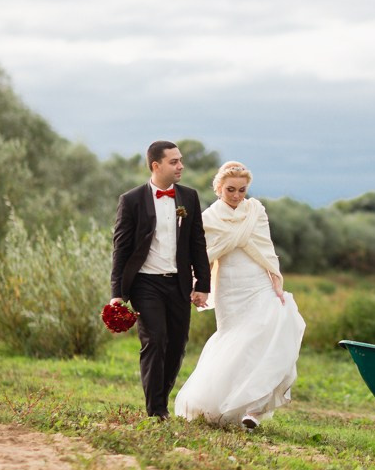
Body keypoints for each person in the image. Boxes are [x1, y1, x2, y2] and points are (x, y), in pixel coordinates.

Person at [174, 161, 306, 428]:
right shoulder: (209, 218)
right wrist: (199, 287)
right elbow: (204, 256)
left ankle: (254, 410)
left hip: (257, 280)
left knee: (278, 325)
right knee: (238, 344)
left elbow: (265, 248)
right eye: (230, 190)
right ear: (219, 188)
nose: (236, 196)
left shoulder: (256, 210)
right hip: (230, 287)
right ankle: (219, 405)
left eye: (242, 190)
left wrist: (275, 280)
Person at [110, 141, 211, 420]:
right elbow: (121, 249)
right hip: (145, 284)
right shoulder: (131, 200)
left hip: (178, 284)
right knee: (155, 340)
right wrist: (117, 293)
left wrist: (202, 284)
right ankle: (156, 411)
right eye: (174, 162)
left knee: (177, 345)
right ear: (156, 166)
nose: (181, 166)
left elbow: (197, 242)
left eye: (180, 160)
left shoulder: (189, 198)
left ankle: (160, 399)